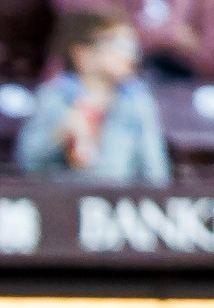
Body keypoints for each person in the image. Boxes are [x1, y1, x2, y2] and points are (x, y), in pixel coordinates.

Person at [15, 7, 169, 185]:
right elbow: (27, 162)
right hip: (64, 201)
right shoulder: (54, 97)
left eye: (131, 47)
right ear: (82, 54)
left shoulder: (138, 102)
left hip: (122, 202)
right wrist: (60, 133)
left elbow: (156, 169)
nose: (128, 54)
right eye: (117, 45)